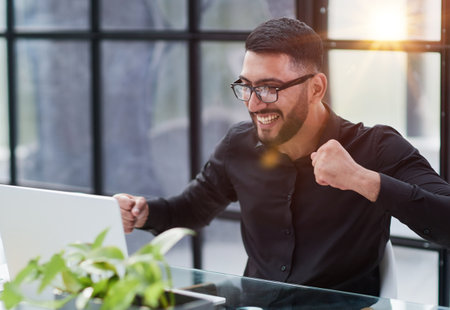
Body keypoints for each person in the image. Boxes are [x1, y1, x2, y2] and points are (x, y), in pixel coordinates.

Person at [114, 17, 450, 296]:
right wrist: (143, 212)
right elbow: (190, 209)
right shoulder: (238, 145)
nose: (254, 103)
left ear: (316, 88)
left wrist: (364, 180)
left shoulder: (374, 147)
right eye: (247, 86)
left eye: (270, 88)